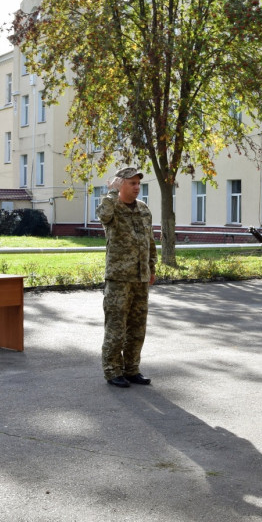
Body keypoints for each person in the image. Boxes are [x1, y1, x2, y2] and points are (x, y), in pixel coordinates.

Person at [98, 166, 157, 388]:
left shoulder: (143, 209)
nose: (137, 188)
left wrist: (151, 267)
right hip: (119, 278)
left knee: (137, 326)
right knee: (116, 326)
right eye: (132, 183)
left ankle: (132, 369)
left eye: (138, 183)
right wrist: (112, 192)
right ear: (120, 184)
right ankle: (112, 370)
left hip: (140, 277)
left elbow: (149, 240)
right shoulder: (111, 206)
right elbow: (103, 216)